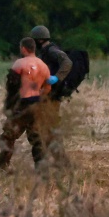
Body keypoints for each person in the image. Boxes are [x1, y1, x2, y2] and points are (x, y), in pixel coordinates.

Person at [0, 37, 52, 170]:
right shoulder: (43, 66)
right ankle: (41, 168)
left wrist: (9, 105)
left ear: (23, 48)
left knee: (8, 135)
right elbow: (48, 87)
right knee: (37, 137)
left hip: (22, 105)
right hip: (37, 105)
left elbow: (11, 85)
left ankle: (2, 166)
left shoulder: (20, 63)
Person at [29, 25, 73, 162]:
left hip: (52, 97)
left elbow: (67, 62)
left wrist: (57, 78)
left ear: (40, 39)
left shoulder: (52, 51)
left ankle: (59, 161)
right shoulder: (44, 51)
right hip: (45, 95)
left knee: (48, 129)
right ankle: (58, 161)